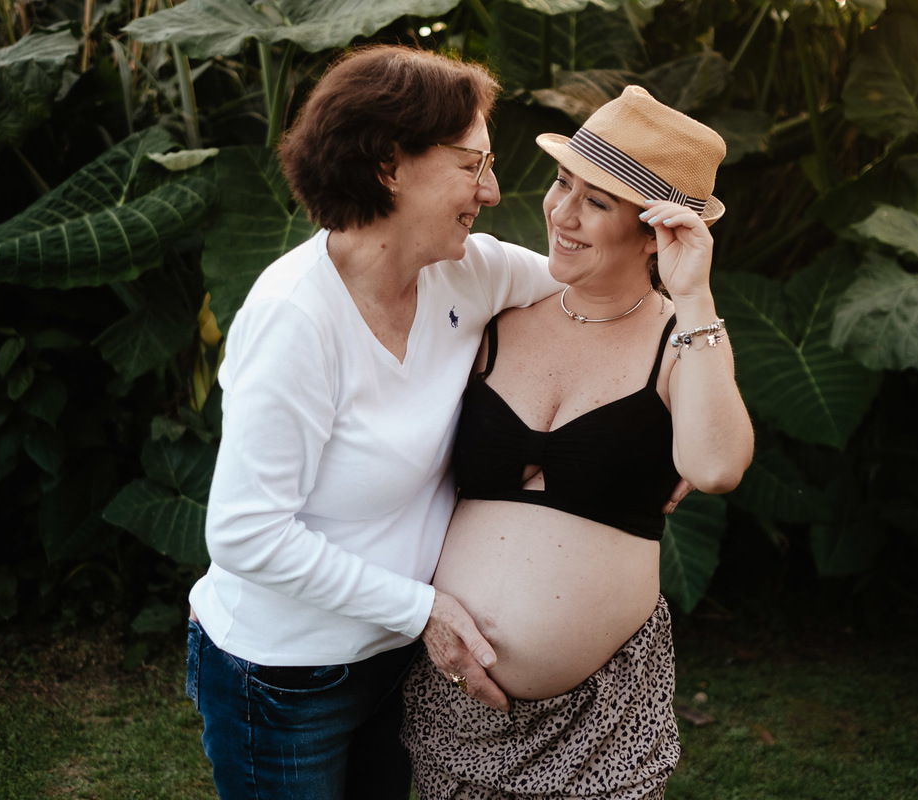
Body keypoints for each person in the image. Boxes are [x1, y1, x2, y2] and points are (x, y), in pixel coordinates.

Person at [184, 46, 563, 800]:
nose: (490, 194)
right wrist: (424, 610)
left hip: (393, 661)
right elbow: (244, 531)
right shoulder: (298, 317)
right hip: (285, 678)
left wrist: (666, 426)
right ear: (390, 166)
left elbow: (595, 295)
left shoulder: (471, 271)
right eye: (471, 165)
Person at [401, 86, 755, 799]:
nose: (561, 213)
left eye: (597, 202)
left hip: (600, 724)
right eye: (564, 183)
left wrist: (694, 294)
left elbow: (714, 467)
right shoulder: (497, 318)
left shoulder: (683, 342)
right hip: (452, 706)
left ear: (656, 229)